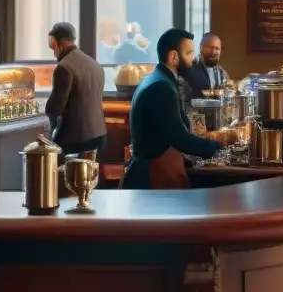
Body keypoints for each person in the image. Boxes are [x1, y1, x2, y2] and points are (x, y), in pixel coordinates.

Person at [120, 28, 221, 189]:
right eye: (189, 53)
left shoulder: (158, 79)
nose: (193, 59)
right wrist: (215, 146)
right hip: (153, 177)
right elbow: (178, 137)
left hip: (157, 170)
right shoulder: (162, 87)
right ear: (174, 56)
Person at [44, 22, 108, 162]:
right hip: (99, 135)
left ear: (57, 42)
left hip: (75, 140)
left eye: (51, 44)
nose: (52, 49)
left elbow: (55, 107)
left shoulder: (64, 67)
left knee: (60, 176)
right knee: (90, 181)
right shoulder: (95, 64)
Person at [181, 32, 228, 98]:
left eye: (217, 48)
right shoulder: (189, 68)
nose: (213, 52)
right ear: (201, 48)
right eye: (210, 47)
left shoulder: (222, 73)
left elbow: (225, 95)